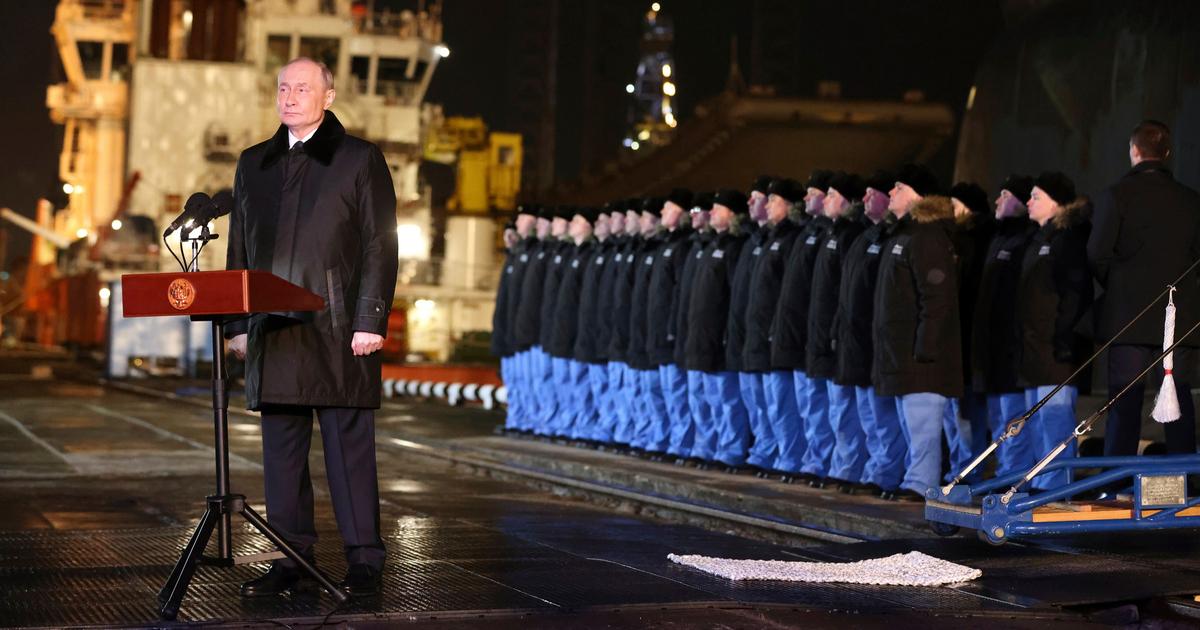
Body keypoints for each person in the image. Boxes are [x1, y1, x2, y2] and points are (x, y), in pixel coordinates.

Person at [226, 57, 398, 597]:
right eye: (283, 87)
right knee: (280, 450)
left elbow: (379, 244)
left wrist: (370, 317)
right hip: (273, 331)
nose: (290, 96)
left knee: (348, 448)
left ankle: (364, 557)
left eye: (303, 87)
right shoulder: (253, 164)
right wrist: (236, 322)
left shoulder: (358, 160)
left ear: (329, 95)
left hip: (339, 327)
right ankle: (290, 558)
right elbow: (239, 249)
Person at [1089, 120, 1200, 459]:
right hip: (1178, 317)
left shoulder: (1116, 195)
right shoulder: (1191, 201)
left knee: (1123, 403)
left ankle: (1116, 484)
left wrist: (1121, 287)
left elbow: (1096, 253)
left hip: (1128, 318)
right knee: (1178, 401)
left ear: (1134, 151)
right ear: (1167, 154)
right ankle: (1185, 481)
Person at [872, 164, 961, 501]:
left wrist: (926, 347)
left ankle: (921, 482)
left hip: (920, 358)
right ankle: (913, 477)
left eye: (897, 187)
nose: (891, 193)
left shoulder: (927, 236)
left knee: (923, 426)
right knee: (911, 426)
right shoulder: (904, 234)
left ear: (914, 194)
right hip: (902, 353)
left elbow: (936, 297)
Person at [833, 171, 907, 498]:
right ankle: (875, 469)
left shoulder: (890, 237)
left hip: (876, 341)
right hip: (858, 339)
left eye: (871, 193)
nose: (866, 199)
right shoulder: (867, 236)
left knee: (883, 416)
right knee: (867, 415)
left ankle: (885, 472)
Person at [1019, 173, 1093, 489]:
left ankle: (1057, 488)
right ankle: (1041, 484)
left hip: (1057, 350)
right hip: (1036, 349)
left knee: (1055, 419)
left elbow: (1076, 293)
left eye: (1036, 196)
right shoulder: (1040, 239)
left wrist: (1065, 337)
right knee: (1037, 421)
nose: (1028, 202)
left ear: (1056, 201)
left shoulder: (1069, 237)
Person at [971, 176, 1038, 478]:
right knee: (999, 418)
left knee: (1013, 418)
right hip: (993, 350)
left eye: (1005, 194)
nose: (997, 200)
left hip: (1012, 350)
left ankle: (1014, 478)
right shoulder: (998, 239)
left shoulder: (1025, 241)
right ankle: (1007, 474)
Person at [769, 171, 833, 483]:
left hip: (813, 338)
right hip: (793, 335)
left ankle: (817, 462)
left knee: (816, 408)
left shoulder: (821, 235)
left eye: (815, 193)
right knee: (795, 406)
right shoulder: (803, 234)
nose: (808, 198)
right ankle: (801, 459)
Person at [807, 173, 867, 491]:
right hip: (825, 334)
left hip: (840, 337)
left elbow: (844, 294)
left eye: (831, 194)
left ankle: (848, 467)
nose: (823, 199)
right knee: (830, 408)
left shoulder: (850, 234)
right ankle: (835, 464)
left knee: (846, 409)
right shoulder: (830, 233)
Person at [742, 178, 805, 475]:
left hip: (776, 336)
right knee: (764, 404)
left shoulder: (791, 238)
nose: (765, 206)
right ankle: (771, 453)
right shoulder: (766, 238)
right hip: (757, 335)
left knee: (783, 405)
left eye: (772, 200)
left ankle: (788, 457)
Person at [686, 190, 752, 465]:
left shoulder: (734, 247)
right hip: (702, 334)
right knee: (706, 397)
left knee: (727, 398)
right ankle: (709, 446)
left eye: (718, 208)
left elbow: (735, 295)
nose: (712, 213)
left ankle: (731, 449)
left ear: (733, 214)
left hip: (721, 334)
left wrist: (728, 332)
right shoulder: (712, 245)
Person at [944, 182, 995, 479]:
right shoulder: (964, 239)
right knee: (962, 412)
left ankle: (968, 471)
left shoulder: (971, 240)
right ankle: (963, 469)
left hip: (968, 341)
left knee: (969, 412)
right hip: (963, 341)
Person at [724, 176, 773, 471]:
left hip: (767, 340)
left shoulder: (769, 241)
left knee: (779, 407)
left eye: (759, 198)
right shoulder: (753, 240)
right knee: (756, 404)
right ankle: (763, 453)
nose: (751, 203)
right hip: (745, 338)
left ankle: (773, 454)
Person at [645, 189, 695, 456]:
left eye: (668, 207)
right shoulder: (667, 244)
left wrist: (673, 328)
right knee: (663, 393)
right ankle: (670, 440)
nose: (663, 212)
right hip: (659, 331)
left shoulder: (683, 246)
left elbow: (679, 294)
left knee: (678, 393)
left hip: (671, 333)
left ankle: (682, 443)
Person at [545, 208, 597, 438]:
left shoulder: (588, 254)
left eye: (576, 221)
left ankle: (582, 428)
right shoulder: (571, 253)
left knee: (580, 383)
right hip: (562, 331)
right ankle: (566, 424)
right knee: (562, 383)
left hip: (578, 333)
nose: (569, 225)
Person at [672, 193, 715, 463]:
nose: (696, 214)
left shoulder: (717, 247)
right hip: (689, 335)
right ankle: (699, 446)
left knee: (718, 400)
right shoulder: (696, 246)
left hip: (710, 339)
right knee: (693, 397)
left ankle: (715, 449)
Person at [572, 205, 616, 442]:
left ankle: (605, 431)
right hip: (587, 332)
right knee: (585, 386)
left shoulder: (600, 254)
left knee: (603, 387)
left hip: (602, 333)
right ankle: (588, 427)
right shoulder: (593, 254)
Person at [496, 205, 538, 431]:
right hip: (512, 332)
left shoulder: (529, 256)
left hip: (526, 333)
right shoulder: (513, 258)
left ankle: (539, 423)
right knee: (517, 383)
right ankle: (519, 420)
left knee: (539, 382)